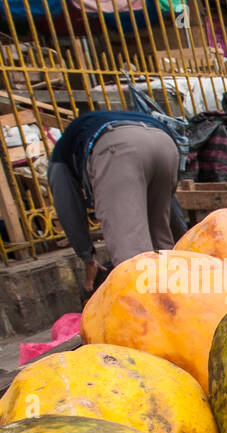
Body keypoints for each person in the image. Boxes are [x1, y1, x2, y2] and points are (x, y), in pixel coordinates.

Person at [47, 110, 182, 295]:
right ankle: (181, 306)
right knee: (164, 249)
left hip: (116, 146)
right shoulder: (89, 128)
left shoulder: (59, 157)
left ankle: (148, 317)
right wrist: (185, 241)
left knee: (132, 258)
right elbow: (169, 207)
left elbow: (68, 208)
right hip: (165, 142)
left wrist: (87, 258)